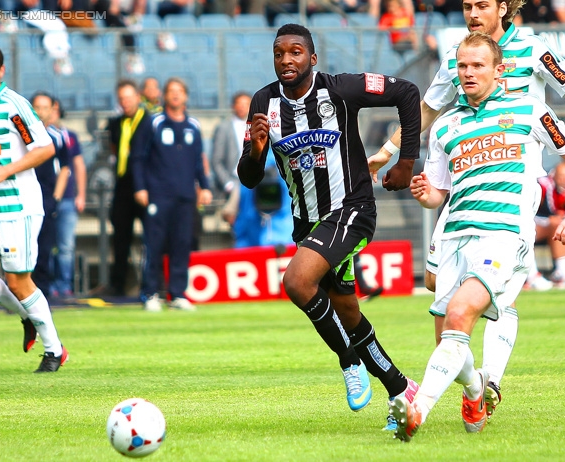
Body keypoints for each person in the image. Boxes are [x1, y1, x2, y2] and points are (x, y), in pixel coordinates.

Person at [368, 0, 565, 421]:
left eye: (482, 5)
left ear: (504, 7)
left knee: (492, 290)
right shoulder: (457, 59)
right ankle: (474, 384)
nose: (473, 12)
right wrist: (387, 152)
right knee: (433, 287)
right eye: (466, 5)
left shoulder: (534, 50)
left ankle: (483, 384)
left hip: (515, 184)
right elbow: (427, 110)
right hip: (465, 187)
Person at [237, 24, 422, 426]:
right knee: (347, 310)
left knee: (297, 282)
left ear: (313, 58)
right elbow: (249, 177)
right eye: (279, 53)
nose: (287, 60)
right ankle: (401, 388)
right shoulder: (263, 102)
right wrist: (254, 152)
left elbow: (407, 92)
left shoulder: (340, 90)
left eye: (296, 52)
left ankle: (349, 362)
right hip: (307, 222)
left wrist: (406, 161)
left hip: (351, 209)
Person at [0, 43, 68, 372]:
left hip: (18, 208)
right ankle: (26, 313)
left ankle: (54, 350)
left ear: (1, 71)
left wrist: (7, 170)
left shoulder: (13, 106)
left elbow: (44, 148)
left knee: (18, 282)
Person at [132, 77, 212, 312]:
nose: (176, 95)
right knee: (154, 243)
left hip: (185, 195)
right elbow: (137, 158)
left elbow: (198, 161)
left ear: (185, 96)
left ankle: (177, 293)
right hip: (158, 194)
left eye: (180, 91)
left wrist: (204, 187)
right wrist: (140, 188)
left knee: (181, 244)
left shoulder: (193, 125)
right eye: (171, 91)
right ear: (165, 96)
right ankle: (151, 293)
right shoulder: (153, 122)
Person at [105, 79, 151, 297]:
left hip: (145, 185)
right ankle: (118, 285)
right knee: (120, 237)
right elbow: (114, 150)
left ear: (138, 98)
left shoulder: (149, 121)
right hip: (123, 184)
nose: (125, 102)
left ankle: (152, 283)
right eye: (121, 98)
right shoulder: (115, 123)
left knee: (151, 237)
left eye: (128, 97)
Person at [30, 92, 71, 299]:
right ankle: (21, 295)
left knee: (45, 249)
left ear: (52, 110)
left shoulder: (58, 137)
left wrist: (56, 198)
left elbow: (65, 168)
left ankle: (43, 295)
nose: (40, 112)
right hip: (24, 199)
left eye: (44, 107)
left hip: (46, 200)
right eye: (36, 107)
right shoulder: (23, 135)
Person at [50, 98, 87, 298]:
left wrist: (81, 194)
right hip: (44, 197)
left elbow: (79, 166)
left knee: (65, 245)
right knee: (45, 244)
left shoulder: (69, 137)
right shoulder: (36, 136)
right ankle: (46, 284)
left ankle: (64, 285)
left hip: (67, 198)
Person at [211, 91, 251, 226]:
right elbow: (216, 160)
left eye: (246, 104)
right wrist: (227, 182)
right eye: (239, 104)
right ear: (233, 106)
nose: (242, 107)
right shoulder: (223, 128)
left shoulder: (257, 127)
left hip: (253, 176)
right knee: (239, 189)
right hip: (233, 179)